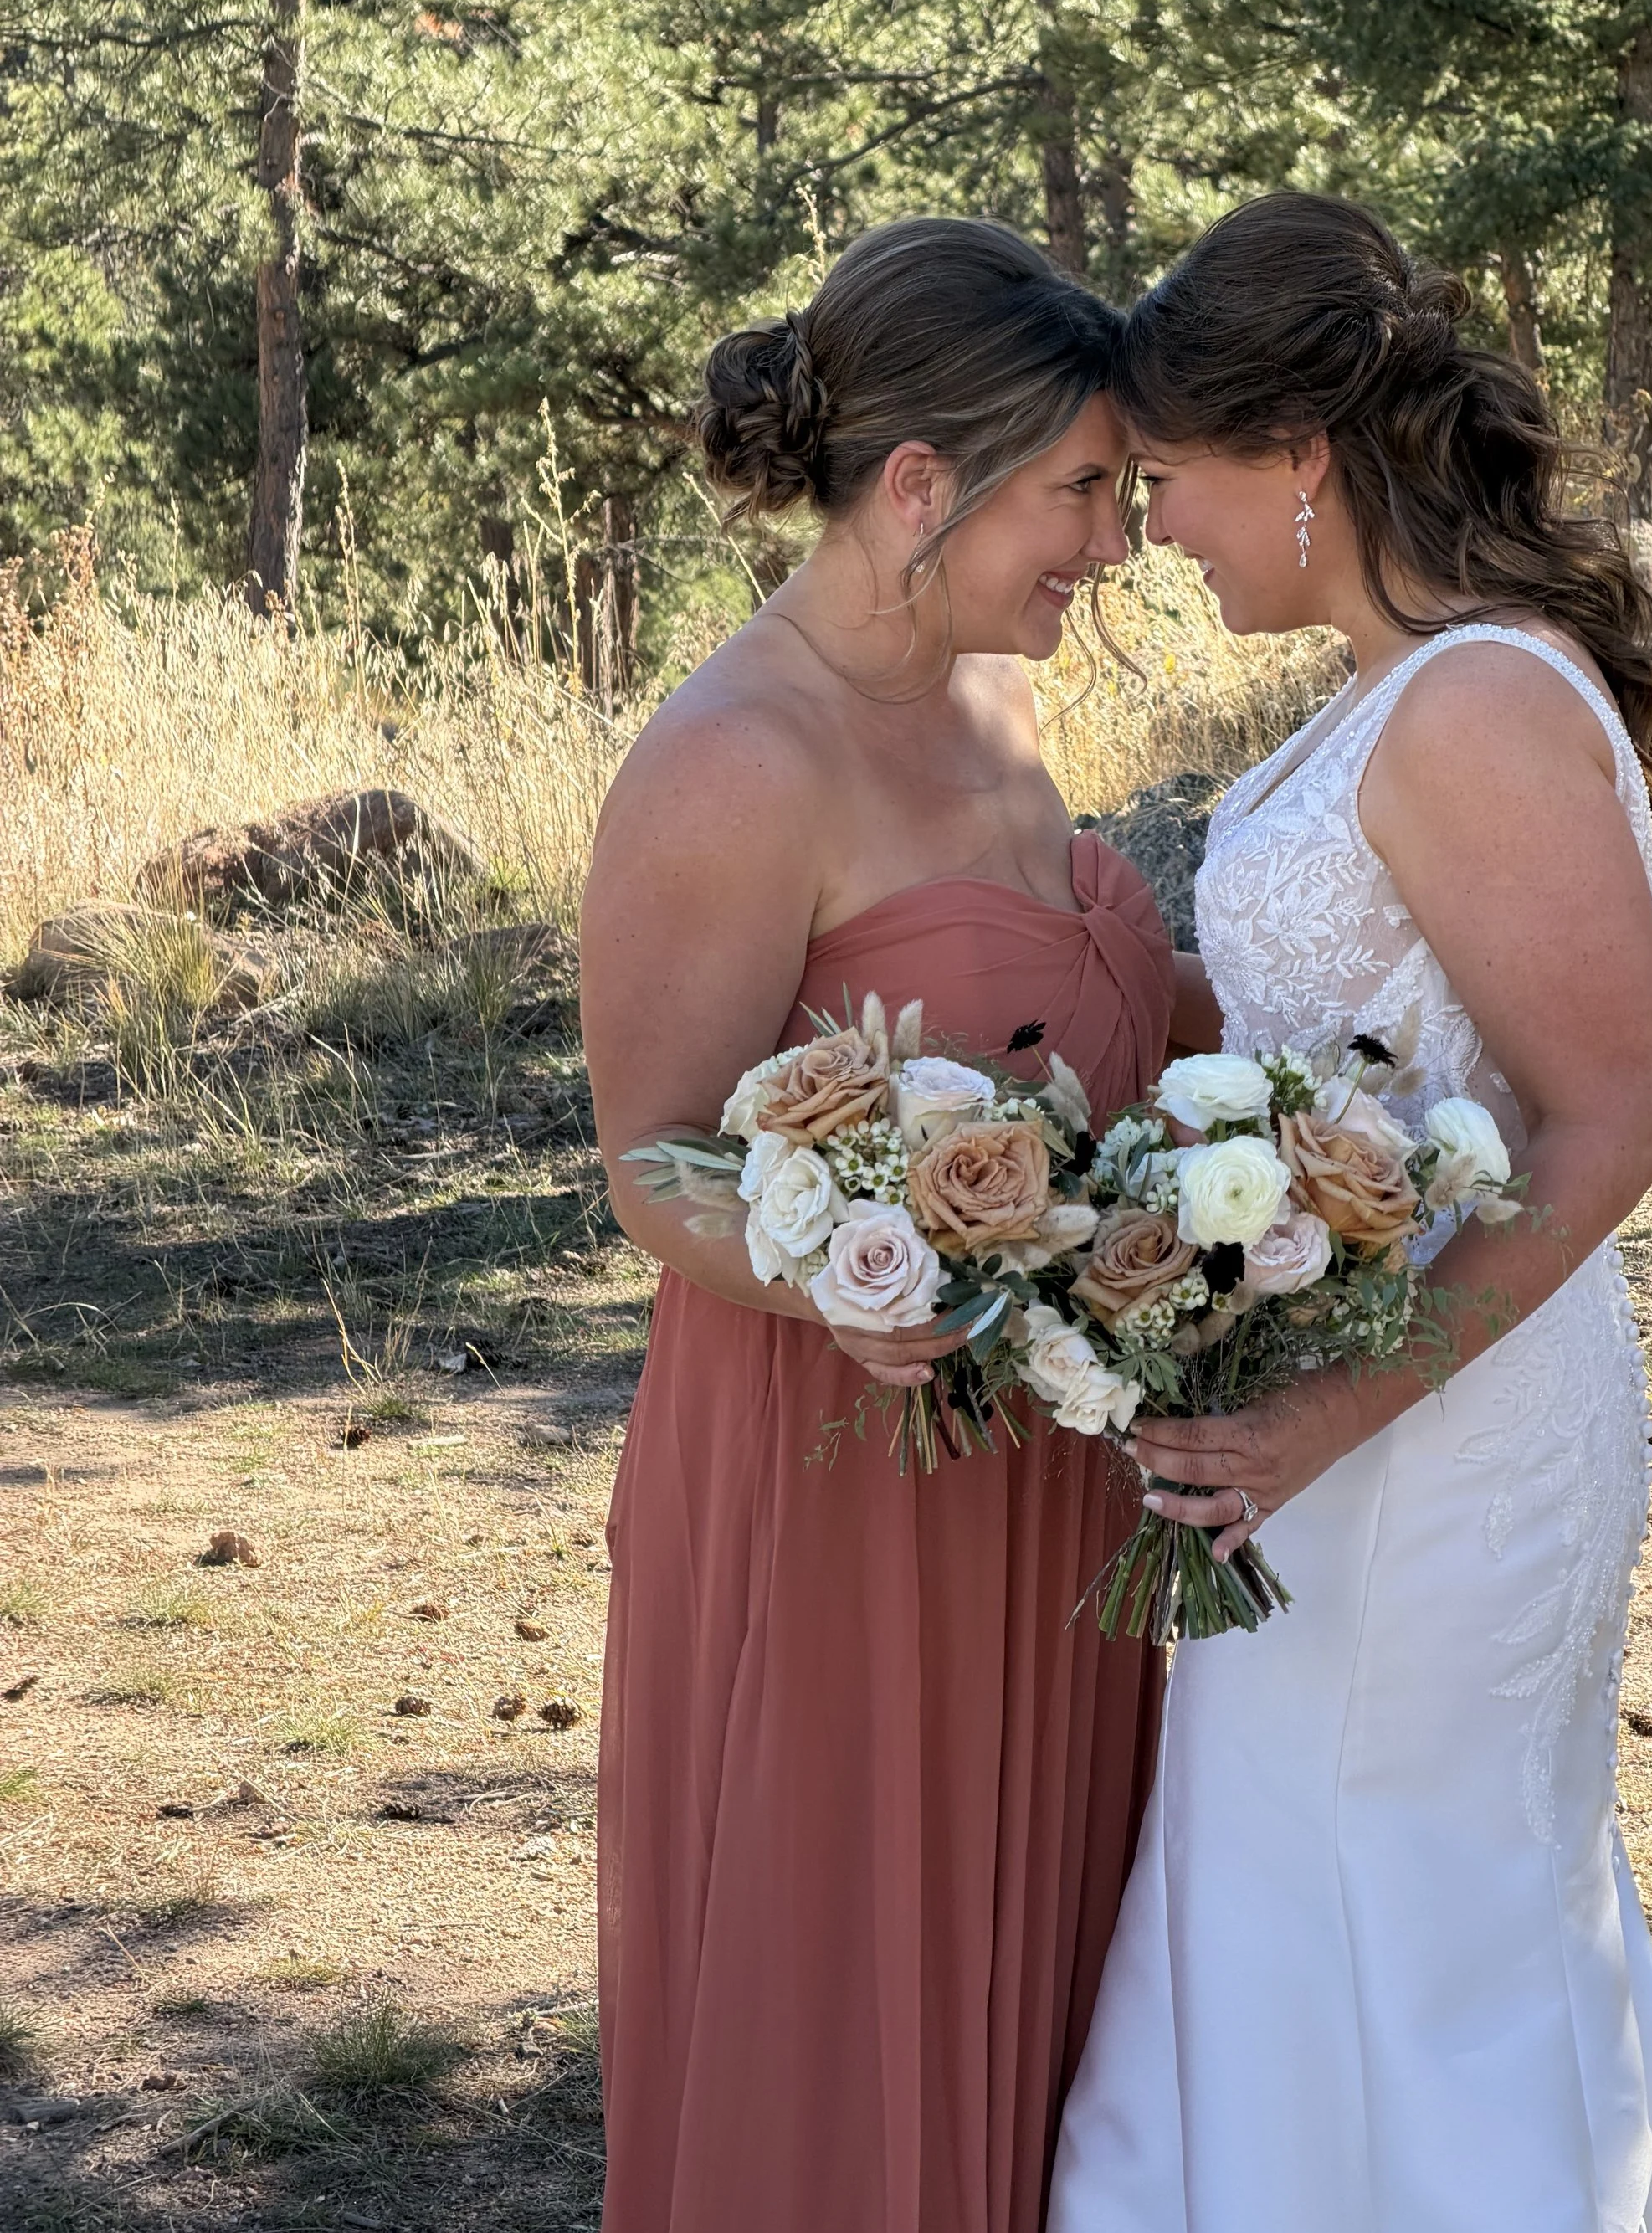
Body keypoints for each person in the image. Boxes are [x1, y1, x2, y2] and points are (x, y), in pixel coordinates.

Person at [1051, 192, 1652, 2233]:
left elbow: (1607, 1116)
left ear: (1300, 455)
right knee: (1308, 1907)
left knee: (1421, 1933)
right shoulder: (1390, 688)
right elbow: (1333, 1025)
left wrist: (1325, 1416)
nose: (1150, 529)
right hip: (1333, 1415)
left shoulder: (1475, 705)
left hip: (1441, 1439)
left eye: (1166, 477)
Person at [582, 217, 1176, 2233]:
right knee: (853, 2014)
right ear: (921, 486)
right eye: (1078, 490)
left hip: (1047, 1478)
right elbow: (654, 1154)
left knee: (1047, 2007)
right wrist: (851, 1274)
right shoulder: (733, 762)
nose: (1112, 539)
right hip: (842, 1475)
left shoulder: (991, 706)